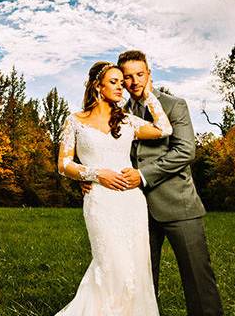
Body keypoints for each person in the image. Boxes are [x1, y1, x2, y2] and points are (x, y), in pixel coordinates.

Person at [81, 50, 224, 316]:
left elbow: (185, 151)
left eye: (140, 75)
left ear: (149, 74)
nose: (134, 82)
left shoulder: (174, 105)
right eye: (127, 77)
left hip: (179, 206)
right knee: (141, 282)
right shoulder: (117, 114)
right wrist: (90, 178)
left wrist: (143, 175)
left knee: (198, 280)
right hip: (134, 211)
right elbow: (102, 151)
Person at [55, 61, 172, 315]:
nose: (122, 87)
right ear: (98, 86)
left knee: (136, 270)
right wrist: (97, 174)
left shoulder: (127, 121)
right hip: (100, 201)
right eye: (114, 82)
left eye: (123, 82)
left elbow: (164, 129)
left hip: (131, 202)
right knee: (111, 267)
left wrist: (147, 94)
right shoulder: (74, 121)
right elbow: (64, 165)